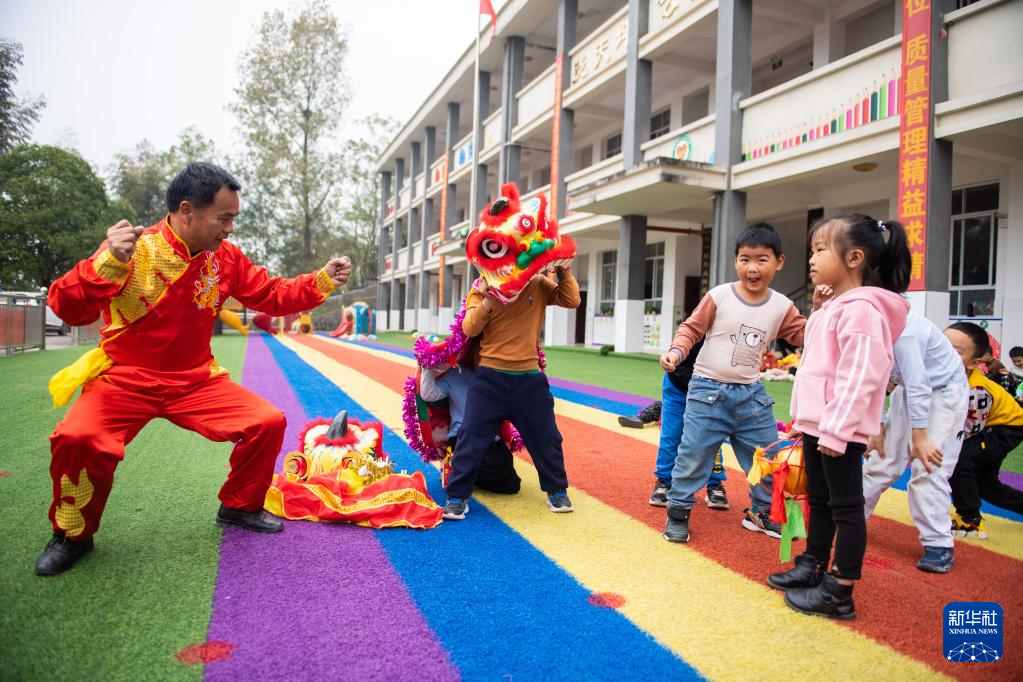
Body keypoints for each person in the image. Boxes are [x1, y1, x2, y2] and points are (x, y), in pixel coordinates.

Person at [37, 163, 351, 576]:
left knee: (266, 421)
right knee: (78, 437)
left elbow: (272, 294)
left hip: (195, 380)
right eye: (224, 218)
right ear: (187, 211)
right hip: (123, 379)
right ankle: (72, 534)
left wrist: (322, 279)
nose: (229, 229)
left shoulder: (226, 258)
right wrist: (107, 260)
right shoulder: (134, 249)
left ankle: (239, 506)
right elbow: (66, 307)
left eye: (233, 219)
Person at [769, 213, 910, 621]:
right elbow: (817, 361)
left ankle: (840, 590)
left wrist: (836, 430)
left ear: (855, 258)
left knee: (846, 507)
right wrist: (818, 309)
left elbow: (860, 375)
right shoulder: (837, 306)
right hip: (820, 425)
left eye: (820, 250)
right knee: (821, 500)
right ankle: (813, 563)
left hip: (839, 431)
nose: (810, 259)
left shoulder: (863, 311)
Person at [660, 223, 806, 544]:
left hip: (751, 394)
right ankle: (678, 511)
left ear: (779, 262)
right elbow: (691, 328)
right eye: (744, 259)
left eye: (761, 260)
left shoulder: (782, 306)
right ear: (735, 261)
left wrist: (825, 310)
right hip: (707, 390)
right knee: (693, 454)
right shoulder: (719, 296)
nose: (752, 268)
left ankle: (763, 511)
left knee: (766, 454)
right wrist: (676, 350)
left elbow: (805, 335)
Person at [442, 266, 581, 519]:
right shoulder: (482, 286)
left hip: (529, 378)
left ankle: (557, 491)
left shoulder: (538, 283)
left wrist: (563, 269)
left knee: (547, 437)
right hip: (490, 378)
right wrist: (487, 299)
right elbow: (469, 328)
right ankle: (457, 496)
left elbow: (571, 299)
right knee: (471, 436)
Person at [861, 312, 969, 573]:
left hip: (942, 392)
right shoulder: (860, 324)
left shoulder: (904, 331)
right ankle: (849, 518)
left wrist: (919, 437)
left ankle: (938, 544)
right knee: (881, 459)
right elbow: (873, 380)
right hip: (905, 389)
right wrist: (875, 426)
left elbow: (919, 384)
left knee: (928, 464)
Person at [945, 322, 1023, 537]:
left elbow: (971, 429)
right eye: (941, 344)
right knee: (987, 486)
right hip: (994, 425)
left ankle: (969, 519)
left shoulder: (976, 389)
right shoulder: (950, 377)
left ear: (974, 362)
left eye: (956, 351)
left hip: (1007, 427)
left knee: (959, 459)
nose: (944, 353)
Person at [419, 359, 521, 494]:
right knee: (501, 479)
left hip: (491, 436)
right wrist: (427, 367)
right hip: (463, 435)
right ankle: (458, 468)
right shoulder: (455, 374)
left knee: (512, 484)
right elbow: (429, 395)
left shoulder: (492, 373)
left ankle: (461, 469)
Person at [648, 340, 729, 510]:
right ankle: (664, 481)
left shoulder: (729, 338)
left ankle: (714, 484)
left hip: (712, 390)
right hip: (678, 383)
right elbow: (679, 364)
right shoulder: (693, 330)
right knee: (671, 435)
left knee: (712, 436)